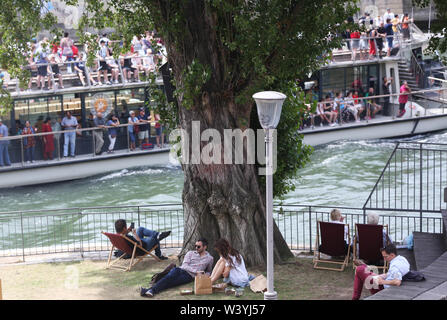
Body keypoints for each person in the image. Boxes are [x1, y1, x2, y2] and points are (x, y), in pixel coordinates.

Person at [140, 238, 214, 298]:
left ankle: (149, 290)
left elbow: (209, 270)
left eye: (198, 246)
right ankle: (151, 291)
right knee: (168, 278)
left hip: (189, 276)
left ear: (205, 247)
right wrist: (196, 271)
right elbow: (185, 265)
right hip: (180, 270)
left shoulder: (210, 258)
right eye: (195, 246)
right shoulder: (190, 253)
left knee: (171, 283)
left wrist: (205, 275)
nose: (196, 248)